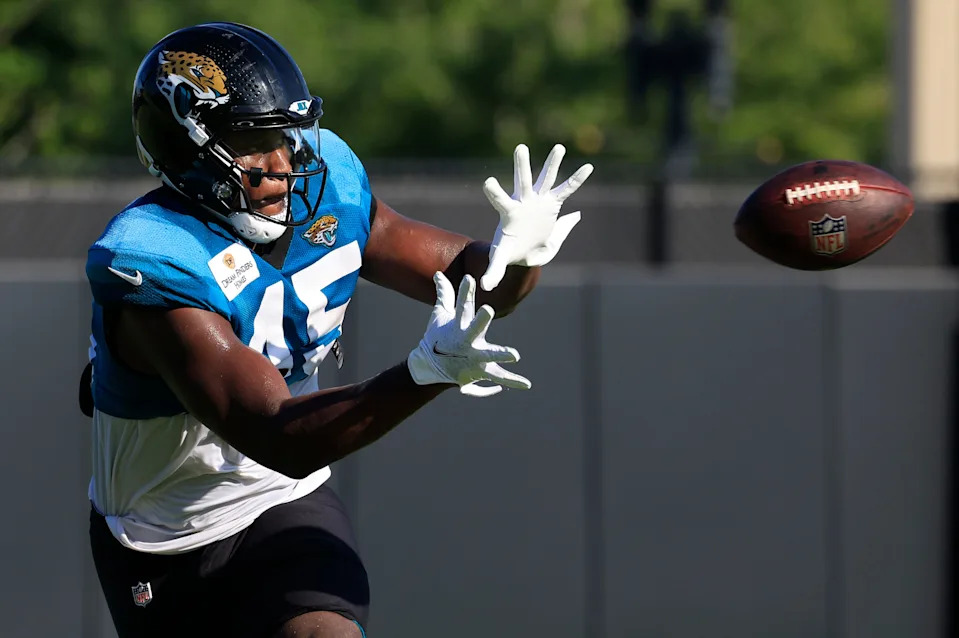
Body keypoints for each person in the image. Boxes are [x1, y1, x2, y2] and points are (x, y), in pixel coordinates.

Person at [83, 21, 593, 638]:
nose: (282, 162)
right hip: (162, 534)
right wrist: (423, 373)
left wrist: (517, 259)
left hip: (283, 500)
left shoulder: (328, 184)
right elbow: (277, 434)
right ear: (185, 149)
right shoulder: (155, 261)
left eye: (287, 133)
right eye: (254, 140)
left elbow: (478, 292)